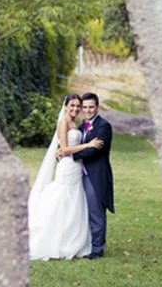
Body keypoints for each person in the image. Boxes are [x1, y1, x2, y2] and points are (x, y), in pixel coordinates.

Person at [28, 94, 104, 260]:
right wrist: (88, 145)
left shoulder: (76, 124)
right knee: (61, 200)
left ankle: (71, 240)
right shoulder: (63, 122)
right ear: (66, 106)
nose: (76, 109)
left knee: (75, 203)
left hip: (78, 169)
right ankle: (48, 238)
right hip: (68, 167)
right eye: (73, 106)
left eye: (78, 106)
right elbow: (65, 149)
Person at [59, 92, 114, 259]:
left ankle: (97, 249)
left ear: (97, 107)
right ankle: (81, 243)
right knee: (80, 210)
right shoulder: (81, 126)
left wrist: (69, 154)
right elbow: (71, 143)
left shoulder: (104, 126)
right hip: (77, 173)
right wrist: (61, 151)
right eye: (85, 107)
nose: (88, 110)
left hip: (94, 175)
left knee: (96, 212)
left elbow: (94, 149)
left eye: (91, 107)